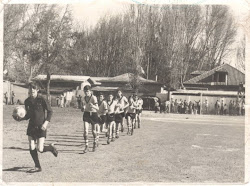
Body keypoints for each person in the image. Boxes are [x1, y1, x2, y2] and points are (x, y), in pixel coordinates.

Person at [13, 82, 57, 173]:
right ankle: (37, 166)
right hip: (31, 127)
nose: (32, 91)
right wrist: (20, 119)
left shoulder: (42, 99)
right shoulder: (27, 101)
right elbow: (28, 115)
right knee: (31, 146)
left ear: (37, 90)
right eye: (30, 89)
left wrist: (46, 123)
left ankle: (51, 148)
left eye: (33, 89)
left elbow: (50, 112)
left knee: (40, 149)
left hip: (41, 127)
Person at [81, 86, 99, 153]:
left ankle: (95, 142)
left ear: (90, 91)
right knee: (85, 131)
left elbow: (97, 108)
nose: (86, 93)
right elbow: (82, 109)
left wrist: (93, 106)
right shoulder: (83, 98)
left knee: (93, 131)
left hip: (93, 114)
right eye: (85, 91)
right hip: (86, 114)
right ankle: (86, 146)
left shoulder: (94, 98)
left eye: (87, 91)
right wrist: (82, 108)